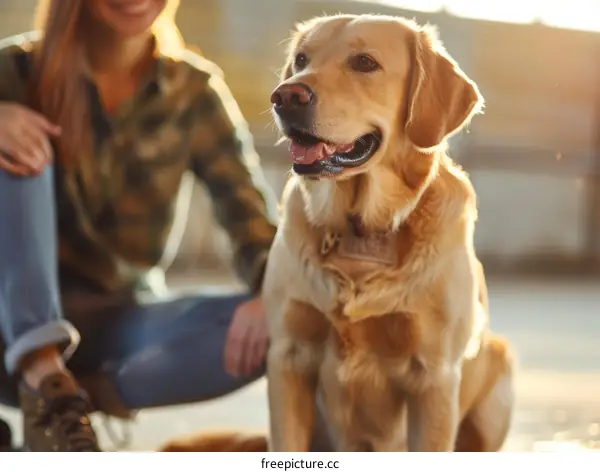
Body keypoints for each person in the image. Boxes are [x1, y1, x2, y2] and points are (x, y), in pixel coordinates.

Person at [0, 0, 278, 452]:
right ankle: (43, 371)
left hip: (122, 326)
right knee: (17, 146)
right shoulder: (13, 69)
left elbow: (251, 221)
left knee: (283, 322)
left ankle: (63, 405)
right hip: (9, 321)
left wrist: (272, 294)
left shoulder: (194, 91)